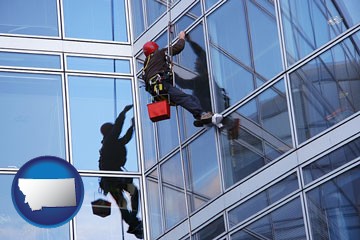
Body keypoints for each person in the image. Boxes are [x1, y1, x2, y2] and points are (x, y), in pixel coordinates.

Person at [142, 30, 213, 126]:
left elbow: (148, 80)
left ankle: (199, 116)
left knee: (190, 98)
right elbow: (178, 48)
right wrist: (181, 38)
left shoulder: (146, 67)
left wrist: (168, 68)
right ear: (155, 49)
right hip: (163, 85)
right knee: (184, 98)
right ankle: (201, 114)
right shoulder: (159, 54)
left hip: (157, 91)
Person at [98, 104, 143, 239]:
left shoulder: (113, 143)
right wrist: (123, 113)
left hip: (115, 178)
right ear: (109, 132)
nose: (114, 132)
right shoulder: (109, 142)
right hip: (112, 180)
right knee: (123, 202)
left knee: (133, 192)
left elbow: (125, 139)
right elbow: (118, 129)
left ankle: (133, 220)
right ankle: (133, 222)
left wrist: (132, 127)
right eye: (112, 130)